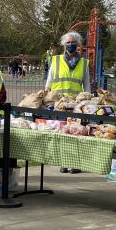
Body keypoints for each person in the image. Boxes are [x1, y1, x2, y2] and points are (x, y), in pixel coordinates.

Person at [46, 32, 89, 173]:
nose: (70, 45)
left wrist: (86, 100)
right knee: (62, 131)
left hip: (76, 104)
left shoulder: (83, 63)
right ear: (64, 45)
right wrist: (46, 96)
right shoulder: (56, 60)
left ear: (78, 45)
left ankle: (75, 163)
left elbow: (86, 85)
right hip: (59, 103)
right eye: (68, 42)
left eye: (73, 42)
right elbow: (49, 81)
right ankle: (64, 161)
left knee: (76, 133)